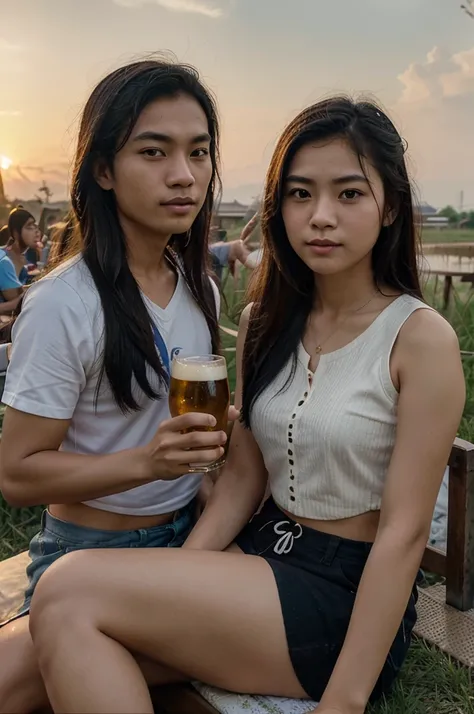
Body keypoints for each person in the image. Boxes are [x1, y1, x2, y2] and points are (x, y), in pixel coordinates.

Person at [26, 97, 465, 713]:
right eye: (300, 194)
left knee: (68, 592)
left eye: (349, 194)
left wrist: (343, 703)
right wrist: (180, 575)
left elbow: (405, 531)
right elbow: (244, 475)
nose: (320, 217)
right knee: (29, 658)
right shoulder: (266, 321)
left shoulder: (419, 340)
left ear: (390, 205)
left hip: (339, 591)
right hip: (256, 555)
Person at [0, 58, 233, 714]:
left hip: (187, 540)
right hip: (91, 552)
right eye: (153, 152)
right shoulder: (62, 305)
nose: (183, 174)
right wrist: (145, 463)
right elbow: (18, 476)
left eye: (199, 152)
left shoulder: (200, 287)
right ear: (102, 171)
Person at [1, 208, 43, 284]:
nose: (37, 232)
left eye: (35, 226)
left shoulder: (29, 259)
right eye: (29, 226)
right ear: (16, 233)